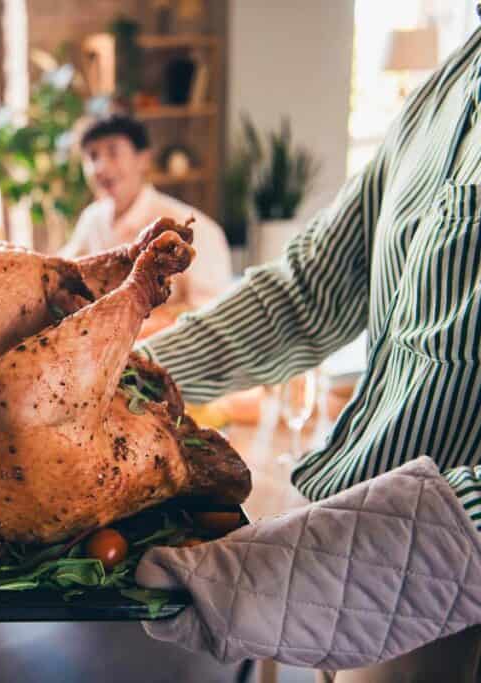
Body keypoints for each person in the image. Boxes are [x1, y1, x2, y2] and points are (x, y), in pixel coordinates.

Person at [134, 19, 481, 682]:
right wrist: (129, 381)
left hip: (451, 619)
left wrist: (323, 566)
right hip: (352, 585)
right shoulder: (452, 81)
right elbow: (308, 292)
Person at [62, 114, 232, 335]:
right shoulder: (92, 219)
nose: (101, 167)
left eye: (113, 152)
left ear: (143, 159)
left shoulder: (196, 228)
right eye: (93, 156)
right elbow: (64, 272)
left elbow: (211, 311)